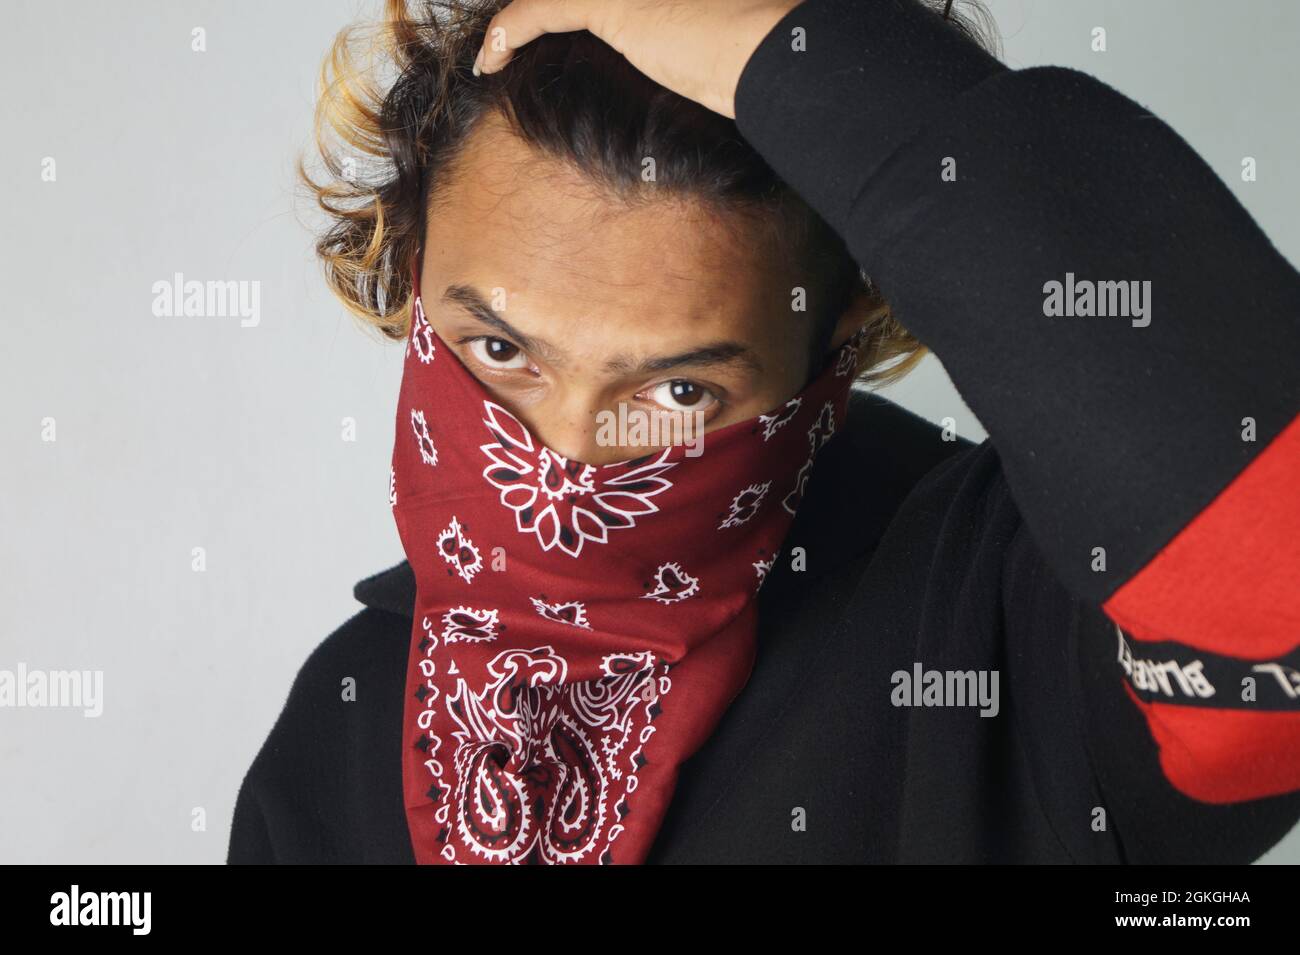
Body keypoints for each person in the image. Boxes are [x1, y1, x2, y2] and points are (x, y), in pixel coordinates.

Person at [228, 0, 1300, 864]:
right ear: (412, 270)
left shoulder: (1004, 629)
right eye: (502, 350)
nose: (567, 457)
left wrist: (801, 51)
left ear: (836, 337)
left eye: (681, 390)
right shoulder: (347, 715)